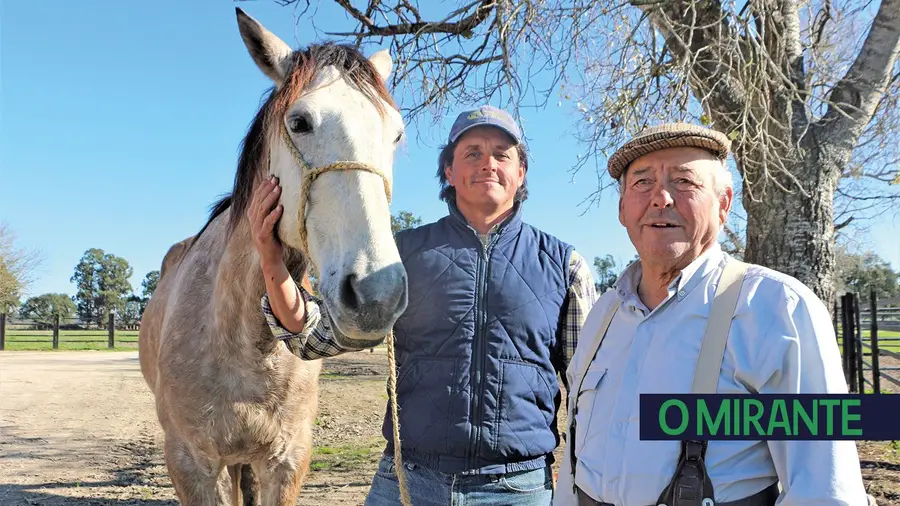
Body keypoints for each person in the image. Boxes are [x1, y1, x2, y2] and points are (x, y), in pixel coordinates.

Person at [248, 105, 597, 505]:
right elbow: (316, 336)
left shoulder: (564, 265)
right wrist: (271, 261)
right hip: (408, 482)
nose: (488, 164)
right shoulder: (403, 255)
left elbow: (591, 388)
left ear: (521, 173)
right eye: (472, 153)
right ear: (449, 172)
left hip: (518, 488)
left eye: (503, 154)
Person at [554, 123, 870, 506]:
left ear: (723, 205)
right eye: (641, 183)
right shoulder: (604, 313)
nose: (661, 198)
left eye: (684, 181)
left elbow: (826, 491)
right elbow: (575, 457)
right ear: (622, 209)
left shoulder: (777, 308)